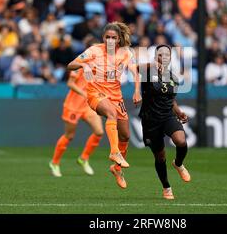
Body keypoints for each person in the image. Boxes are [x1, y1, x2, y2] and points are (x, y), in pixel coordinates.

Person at [67, 22, 141, 189]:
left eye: (113, 38)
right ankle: (114, 152)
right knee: (111, 114)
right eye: (107, 37)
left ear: (119, 39)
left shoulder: (125, 53)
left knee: (126, 136)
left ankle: (116, 169)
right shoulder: (94, 51)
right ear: (103, 38)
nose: (110, 40)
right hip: (95, 93)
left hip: (116, 95)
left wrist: (137, 91)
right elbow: (70, 65)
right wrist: (85, 64)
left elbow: (135, 73)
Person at [138, 44, 191, 200]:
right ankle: (166, 187)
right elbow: (134, 68)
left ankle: (179, 163)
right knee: (160, 156)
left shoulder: (173, 78)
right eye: (160, 54)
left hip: (167, 116)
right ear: (156, 57)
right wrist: (152, 65)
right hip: (151, 120)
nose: (164, 57)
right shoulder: (147, 72)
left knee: (181, 141)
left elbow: (171, 100)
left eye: (167, 54)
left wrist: (179, 112)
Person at [49, 45, 104, 176]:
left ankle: (83, 158)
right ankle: (55, 163)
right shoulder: (80, 64)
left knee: (99, 132)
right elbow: (70, 83)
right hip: (73, 106)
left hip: (88, 106)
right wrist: (84, 93)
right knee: (69, 136)